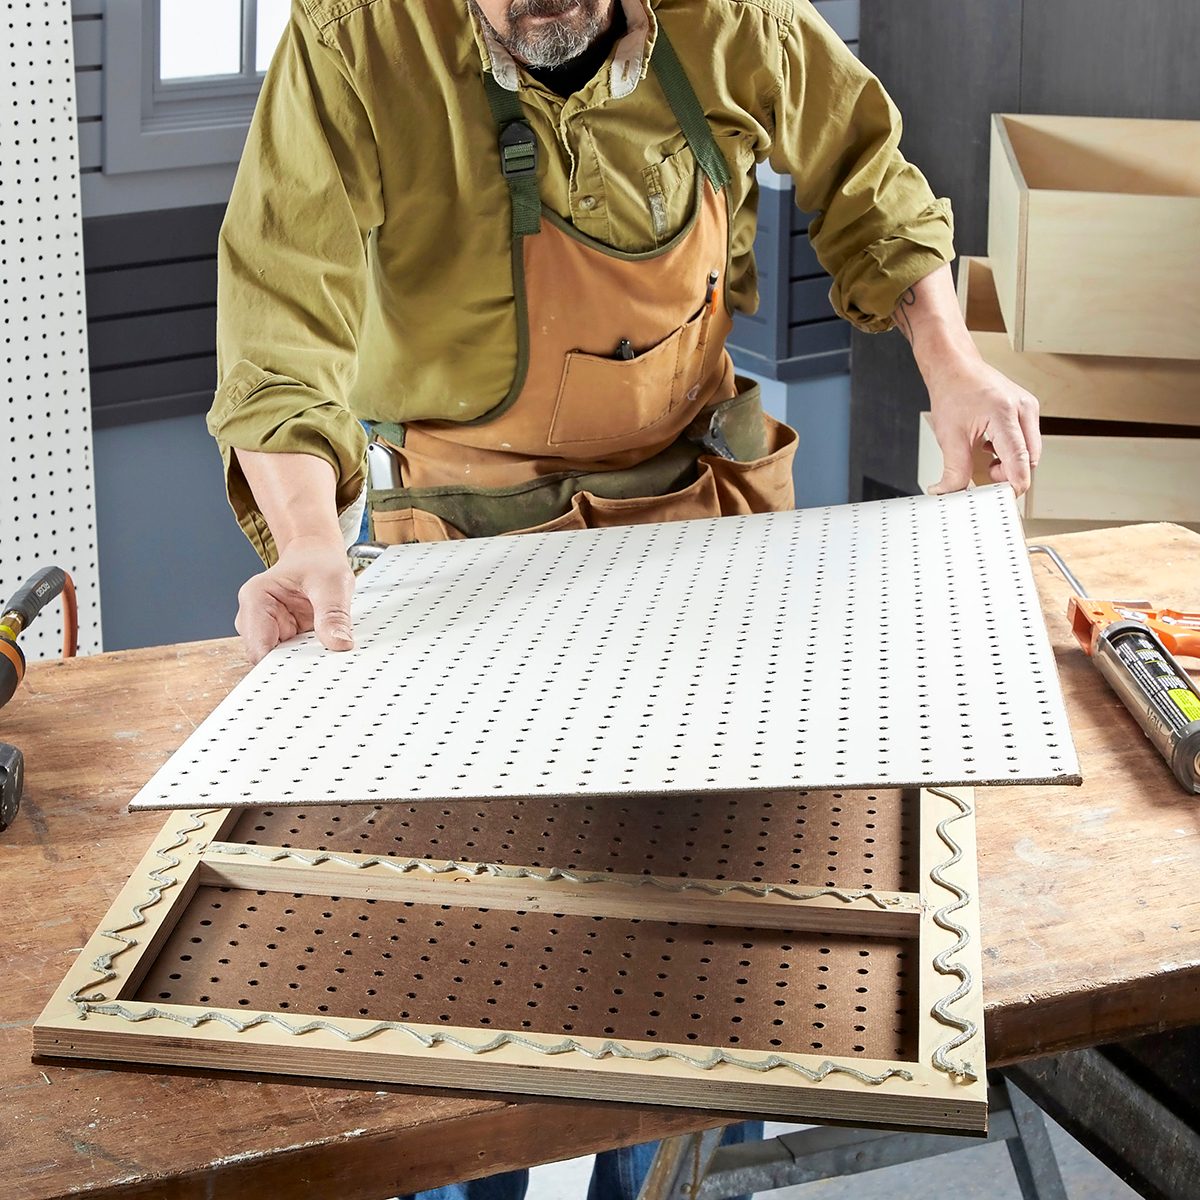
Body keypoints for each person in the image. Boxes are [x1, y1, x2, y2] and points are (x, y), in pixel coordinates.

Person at [208, 2, 1040, 1196]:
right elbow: (281, 322)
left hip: (705, 532)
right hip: (468, 551)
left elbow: (865, 167)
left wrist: (953, 366)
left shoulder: (731, 17)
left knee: (725, 962)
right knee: (466, 966)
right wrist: (304, 537)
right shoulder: (356, 37)